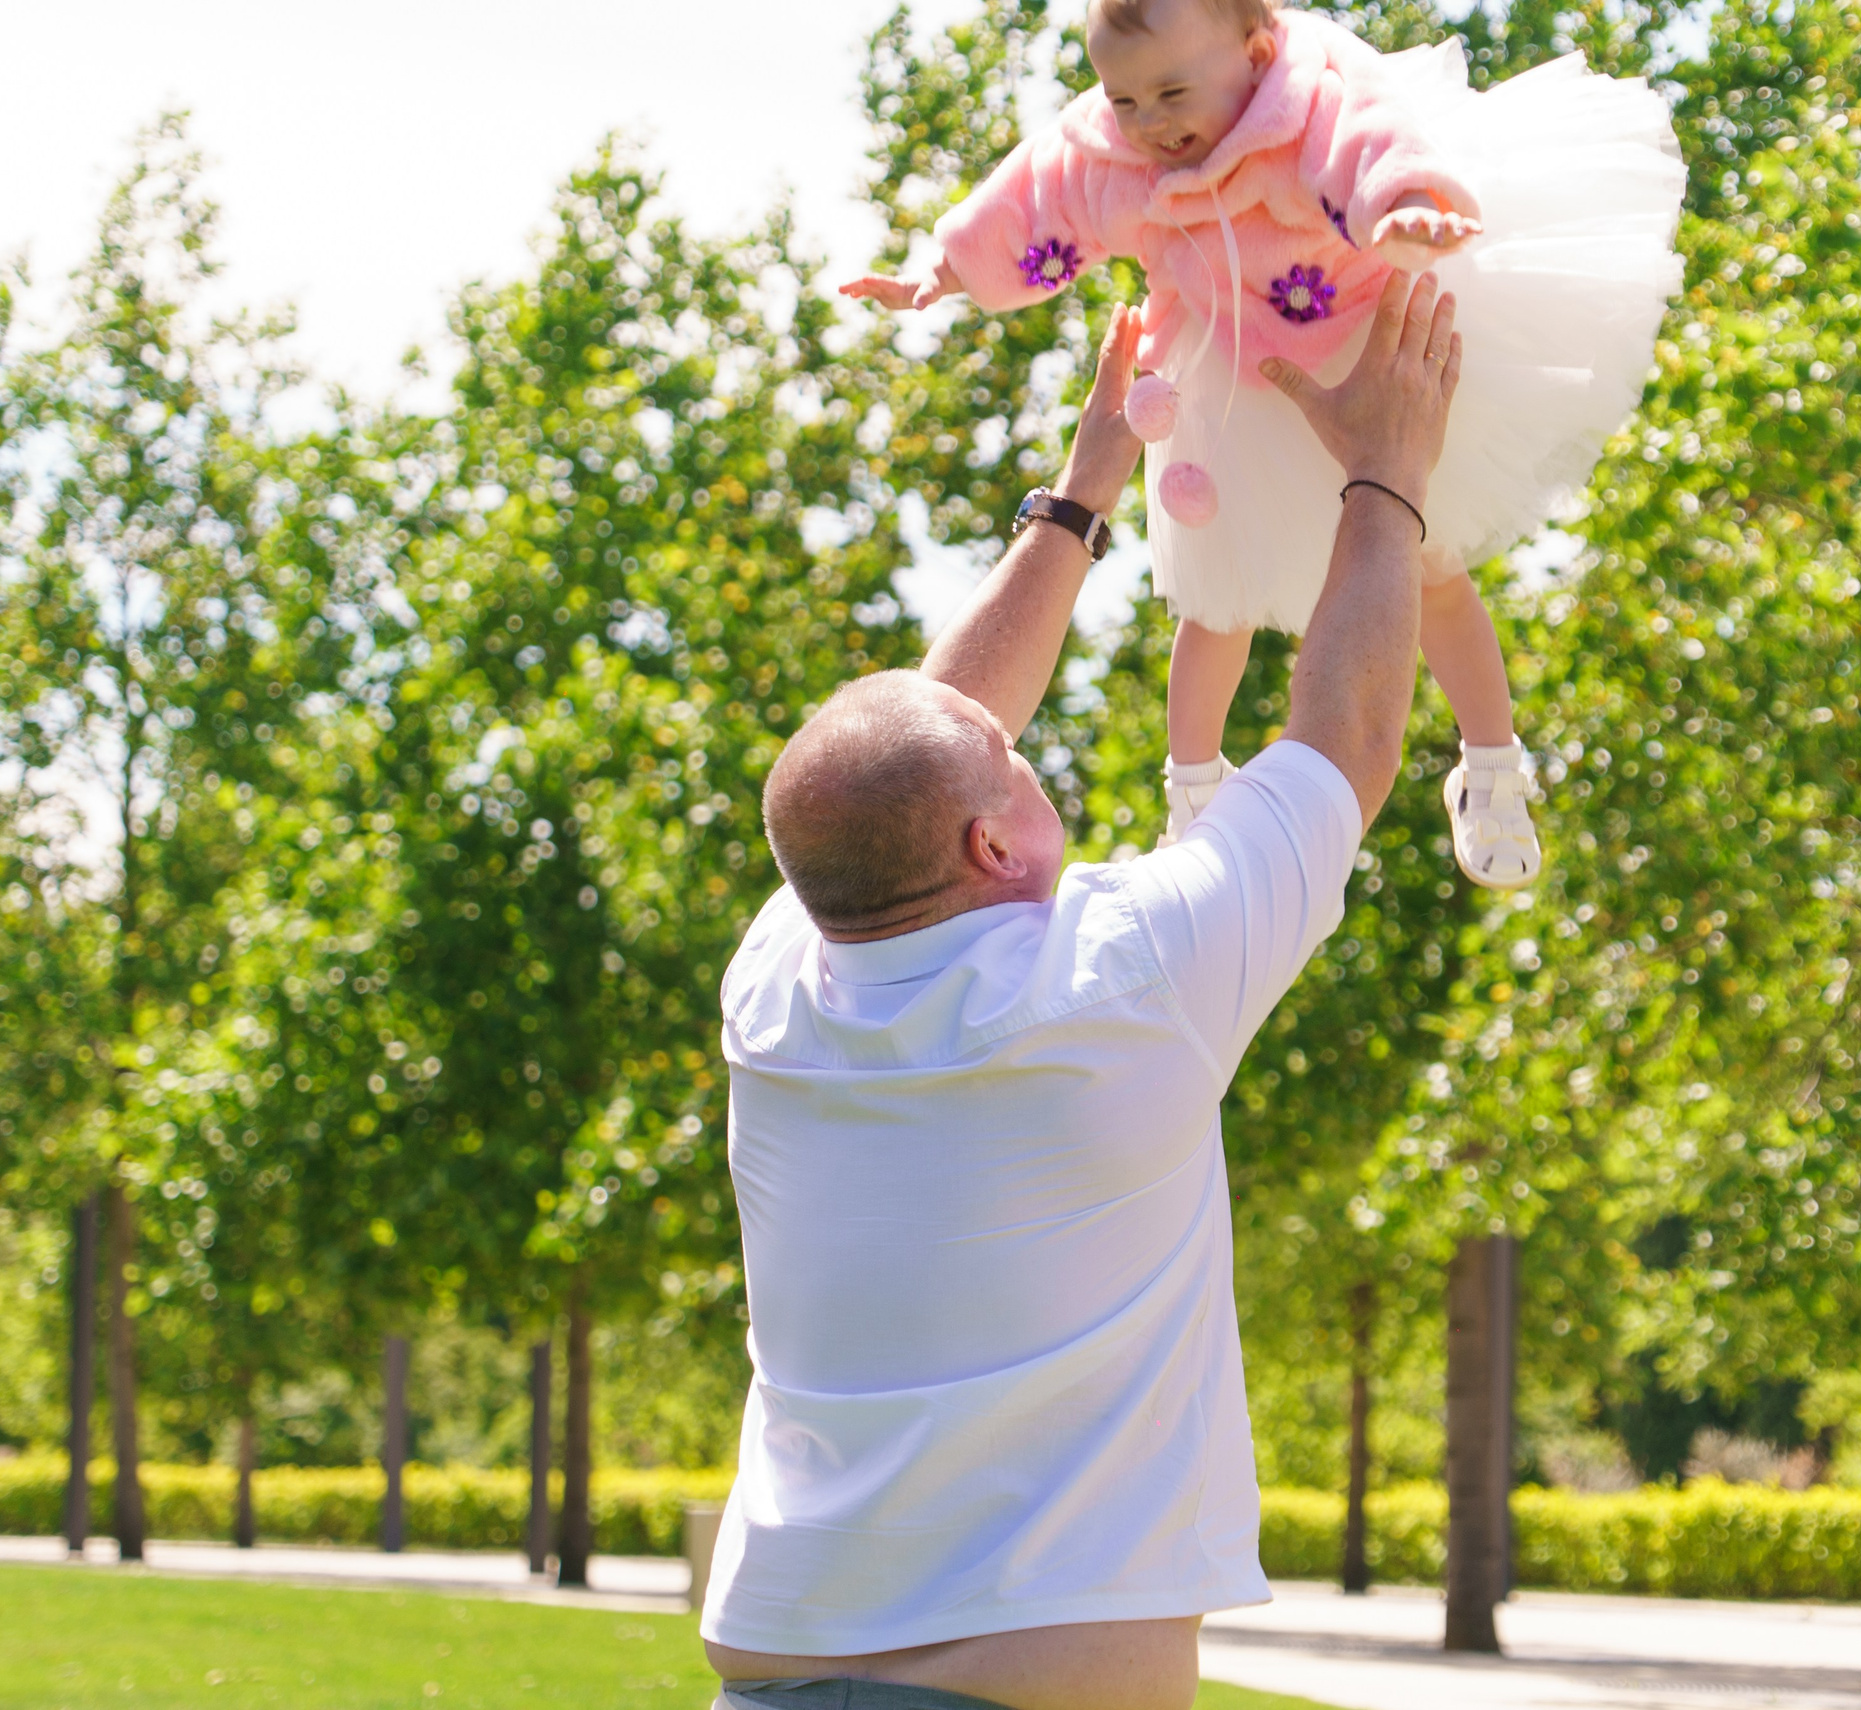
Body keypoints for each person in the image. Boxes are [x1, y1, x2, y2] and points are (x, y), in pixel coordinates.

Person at [699, 272, 1462, 1710]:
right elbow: (1345, 737)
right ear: (995, 841)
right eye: (1021, 770)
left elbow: (921, 747)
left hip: (771, 1677)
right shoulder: (1125, 978)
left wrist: (1081, 490)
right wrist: (1387, 473)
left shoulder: (781, 989)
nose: (1023, 749)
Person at [844, 0, 1683, 885]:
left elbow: (1368, 141)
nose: (1151, 122)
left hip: (1359, 349)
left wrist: (1402, 209)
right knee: (1216, 602)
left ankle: (1492, 766)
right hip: (1229, 378)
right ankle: (1194, 794)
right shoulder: (1107, 151)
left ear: (1255, 53)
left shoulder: (1307, 93)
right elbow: (1032, 198)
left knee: (1428, 570)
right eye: (1125, 99)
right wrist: (940, 271)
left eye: (1172, 92)